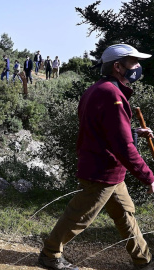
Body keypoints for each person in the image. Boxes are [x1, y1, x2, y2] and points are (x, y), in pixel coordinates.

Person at [38, 44, 154, 270]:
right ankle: (50, 255)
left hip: (109, 169)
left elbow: (104, 129)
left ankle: (144, 261)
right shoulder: (112, 94)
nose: (138, 66)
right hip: (102, 171)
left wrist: (132, 131)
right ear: (118, 67)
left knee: (125, 215)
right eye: (134, 62)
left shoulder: (100, 89)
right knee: (79, 216)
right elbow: (122, 145)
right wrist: (148, 176)